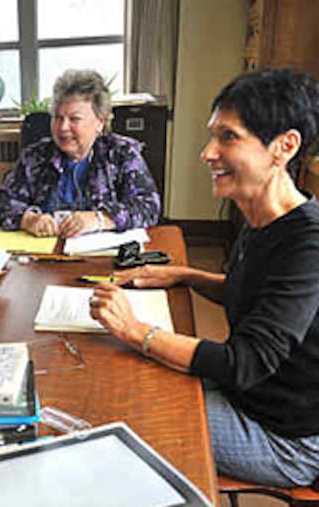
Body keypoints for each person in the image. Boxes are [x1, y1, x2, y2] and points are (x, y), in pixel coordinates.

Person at [89, 68, 319, 487]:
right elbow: (249, 294)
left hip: (283, 437)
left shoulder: (308, 247)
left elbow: (244, 362)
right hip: (249, 395)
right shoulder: (264, 216)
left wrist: (133, 329)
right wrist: (184, 275)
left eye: (228, 137)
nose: (208, 152)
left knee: (124, 412)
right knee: (124, 377)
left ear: (284, 146)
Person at [0, 69, 161, 238]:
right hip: (44, 254)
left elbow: (148, 206)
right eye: (57, 117)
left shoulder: (122, 154)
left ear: (100, 122)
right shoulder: (34, 157)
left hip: (100, 257)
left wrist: (99, 219)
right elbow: (1, 202)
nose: (63, 127)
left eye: (74, 119)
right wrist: (28, 219)